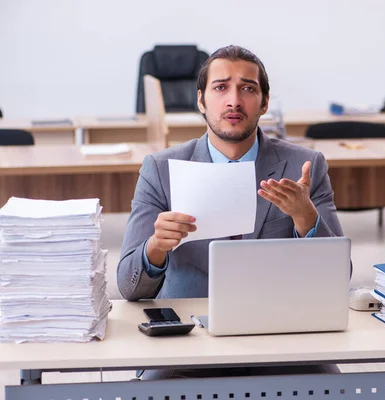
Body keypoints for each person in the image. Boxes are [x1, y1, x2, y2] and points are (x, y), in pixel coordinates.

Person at [116, 45, 344, 379]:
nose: (234, 101)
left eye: (248, 89)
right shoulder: (161, 169)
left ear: (264, 102)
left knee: (332, 387)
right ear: (201, 100)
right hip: (187, 341)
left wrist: (306, 219)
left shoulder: (303, 167)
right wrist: (155, 248)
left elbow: (340, 277)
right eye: (220, 87)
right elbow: (128, 286)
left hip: (283, 337)